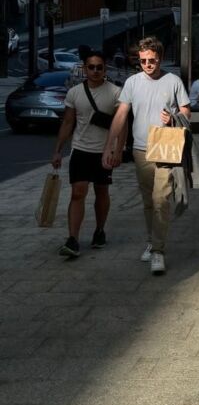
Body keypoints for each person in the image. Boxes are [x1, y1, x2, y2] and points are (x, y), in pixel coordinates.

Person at [102, 35, 190, 275]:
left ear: (160, 58)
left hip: (166, 147)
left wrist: (174, 118)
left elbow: (186, 111)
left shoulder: (173, 81)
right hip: (141, 149)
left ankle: (158, 251)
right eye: (142, 61)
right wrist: (110, 146)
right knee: (149, 201)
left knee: (161, 199)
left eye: (152, 60)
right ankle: (152, 241)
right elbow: (121, 115)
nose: (147, 65)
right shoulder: (132, 82)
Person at [52, 49, 121, 259]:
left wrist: (118, 150)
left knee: (101, 192)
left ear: (105, 69)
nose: (95, 71)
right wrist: (58, 151)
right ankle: (72, 239)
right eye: (91, 67)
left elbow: (122, 123)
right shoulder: (74, 93)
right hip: (80, 150)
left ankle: (99, 231)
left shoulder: (115, 92)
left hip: (103, 152)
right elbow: (68, 122)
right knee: (77, 193)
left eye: (99, 67)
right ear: (85, 69)